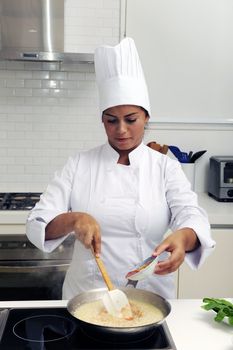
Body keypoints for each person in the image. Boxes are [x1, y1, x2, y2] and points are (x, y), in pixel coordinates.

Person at [26, 37, 215, 300]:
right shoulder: (79, 164)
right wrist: (73, 219)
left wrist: (183, 239)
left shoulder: (164, 167)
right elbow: (37, 222)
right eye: (111, 120)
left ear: (146, 117)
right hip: (86, 298)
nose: (121, 130)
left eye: (131, 119)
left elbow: (191, 215)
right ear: (102, 120)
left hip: (150, 297)